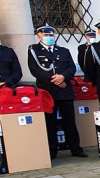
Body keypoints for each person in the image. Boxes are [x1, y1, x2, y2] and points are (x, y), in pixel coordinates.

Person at [27, 23, 88, 159]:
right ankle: (52, 150)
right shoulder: (34, 51)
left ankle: (75, 148)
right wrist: (54, 79)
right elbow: (35, 70)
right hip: (48, 91)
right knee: (50, 122)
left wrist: (63, 78)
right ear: (39, 36)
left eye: (51, 35)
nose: (49, 37)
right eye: (46, 35)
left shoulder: (63, 51)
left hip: (65, 90)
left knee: (70, 122)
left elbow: (71, 68)